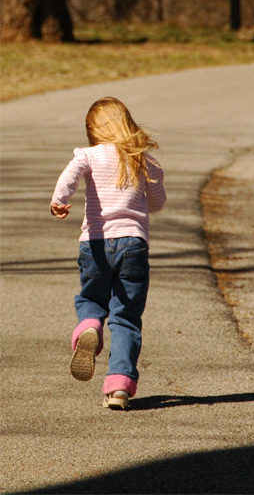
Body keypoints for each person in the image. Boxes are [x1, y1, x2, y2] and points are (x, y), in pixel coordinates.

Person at [50, 96, 166, 410]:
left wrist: (59, 199)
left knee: (92, 297)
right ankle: (119, 386)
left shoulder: (88, 155)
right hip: (134, 246)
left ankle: (89, 325)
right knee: (126, 318)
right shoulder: (143, 160)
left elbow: (70, 176)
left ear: (92, 130)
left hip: (95, 244)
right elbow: (157, 203)